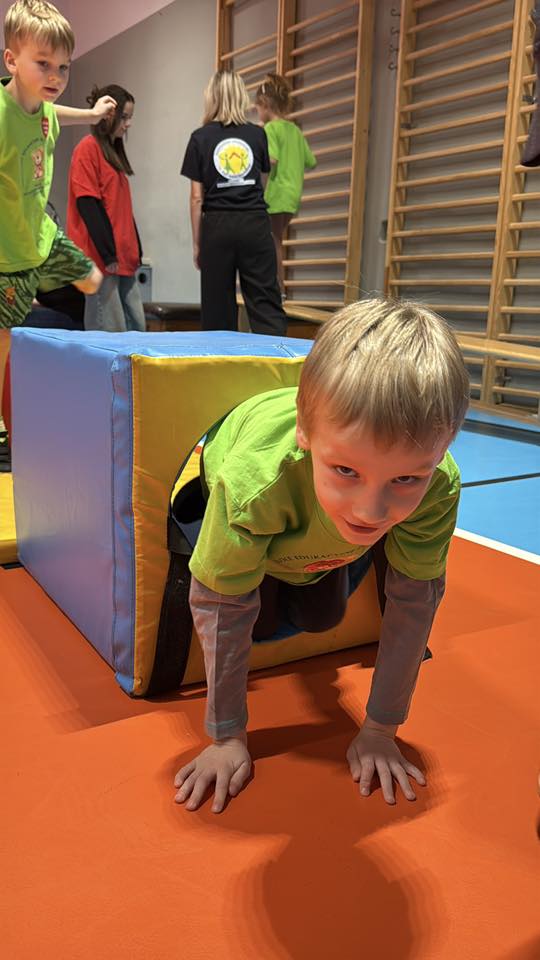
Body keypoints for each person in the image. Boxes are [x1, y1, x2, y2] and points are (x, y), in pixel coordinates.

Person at [173, 298, 469, 814]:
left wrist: (379, 730)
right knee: (259, 626)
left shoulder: (439, 486)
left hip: (308, 538)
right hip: (248, 509)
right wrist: (226, 736)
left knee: (321, 617)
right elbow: (220, 605)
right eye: (346, 471)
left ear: (442, 451)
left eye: (406, 478)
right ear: (305, 434)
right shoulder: (253, 483)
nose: (371, 509)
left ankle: (324, 544)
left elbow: (415, 601)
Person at [0, 0, 115, 439]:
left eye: (64, 67)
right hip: (8, 252)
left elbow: (56, 114)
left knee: (92, 280)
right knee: (4, 341)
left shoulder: (44, 109)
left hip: (41, 238)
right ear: (11, 60)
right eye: (43, 64)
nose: (56, 77)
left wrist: (91, 116)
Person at [180, 70, 287, 337]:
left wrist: (197, 244)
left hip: (217, 225)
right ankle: (278, 358)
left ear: (212, 98)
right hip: (254, 222)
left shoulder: (200, 138)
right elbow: (262, 181)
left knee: (217, 308)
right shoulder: (258, 135)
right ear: (241, 96)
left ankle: (220, 361)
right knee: (265, 303)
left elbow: (196, 198)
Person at [67, 84, 146, 332]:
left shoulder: (113, 155)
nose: (128, 124)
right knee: (110, 333)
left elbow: (122, 210)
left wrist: (136, 249)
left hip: (123, 259)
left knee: (136, 329)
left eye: (130, 117)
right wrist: (108, 254)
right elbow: (88, 204)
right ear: (109, 116)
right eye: (124, 117)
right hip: (103, 260)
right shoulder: (88, 148)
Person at [255, 73, 317, 297]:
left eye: (257, 108)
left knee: (273, 241)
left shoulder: (271, 129)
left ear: (264, 104)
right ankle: (276, 287)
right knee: (276, 238)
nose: (257, 113)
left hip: (276, 192)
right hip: (292, 195)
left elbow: (271, 159)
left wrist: (257, 144)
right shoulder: (295, 131)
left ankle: (278, 288)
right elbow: (311, 161)